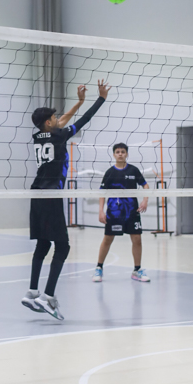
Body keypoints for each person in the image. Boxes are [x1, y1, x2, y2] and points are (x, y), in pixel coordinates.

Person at [22, 81, 110, 320]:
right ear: (48, 122)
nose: (57, 118)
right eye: (54, 117)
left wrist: (79, 102)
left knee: (43, 244)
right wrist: (100, 99)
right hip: (51, 196)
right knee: (63, 246)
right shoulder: (59, 136)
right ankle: (48, 296)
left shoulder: (38, 136)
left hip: (36, 194)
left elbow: (61, 122)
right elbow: (84, 121)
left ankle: (32, 292)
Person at [93, 143, 150, 283]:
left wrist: (145, 200)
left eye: (123, 152)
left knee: (137, 239)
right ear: (114, 155)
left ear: (127, 154)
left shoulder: (133, 170)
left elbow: (145, 185)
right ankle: (99, 268)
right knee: (108, 239)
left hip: (132, 211)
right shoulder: (110, 172)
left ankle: (137, 270)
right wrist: (100, 211)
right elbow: (102, 192)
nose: (120, 154)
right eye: (117, 152)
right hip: (114, 212)